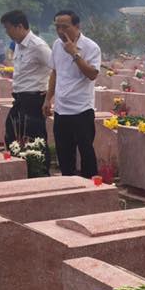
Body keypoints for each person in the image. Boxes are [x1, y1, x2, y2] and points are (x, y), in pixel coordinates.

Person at [44, 10, 100, 177]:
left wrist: (74, 53)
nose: (61, 31)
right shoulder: (56, 45)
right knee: (64, 154)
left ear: (77, 26)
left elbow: (92, 74)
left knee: (86, 151)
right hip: (61, 109)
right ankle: (68, 183)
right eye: (57, 27)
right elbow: (55, 72)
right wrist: (48, 99)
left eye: (65, 27)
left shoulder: (91, 47)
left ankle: (91, 185)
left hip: (82, 109)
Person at [0, 9, 52, 172]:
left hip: (34, 99)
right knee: (12, 132)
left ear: (19, 26)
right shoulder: (18, 45)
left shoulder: (38, 46)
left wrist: (49, 96)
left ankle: (41, 172)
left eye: (8, 28)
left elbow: (56, 69)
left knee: (36, 138)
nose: (7, 32)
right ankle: (22, 168)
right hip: (20, 99)